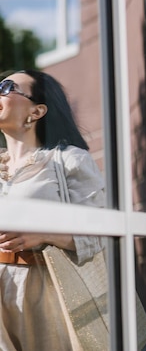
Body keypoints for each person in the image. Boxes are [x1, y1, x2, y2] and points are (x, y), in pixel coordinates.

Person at [0, 69, 106, 350]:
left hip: (45, 291)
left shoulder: (69, 161)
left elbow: (101, 234)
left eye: (6, 86)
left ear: (36, 111)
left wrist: (43, 236)